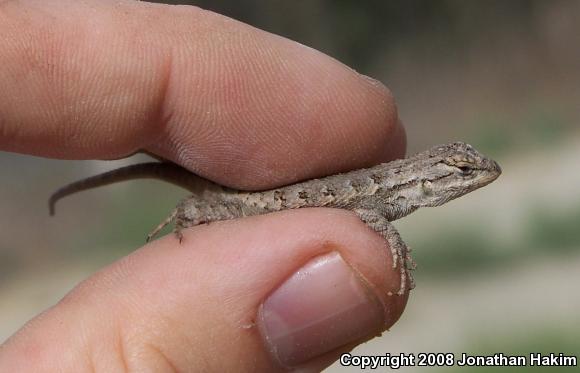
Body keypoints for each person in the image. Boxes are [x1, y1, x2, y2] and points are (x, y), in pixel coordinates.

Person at [0, 1, 409, 371]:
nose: (473, 178)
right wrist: (390, 237)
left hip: (276, 200)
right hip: (255, 203)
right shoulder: (388, 191)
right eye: (461, 171)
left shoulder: (391, 187)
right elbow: (369, 214)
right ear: (429, 178)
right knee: (207, 210)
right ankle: (186, 213)